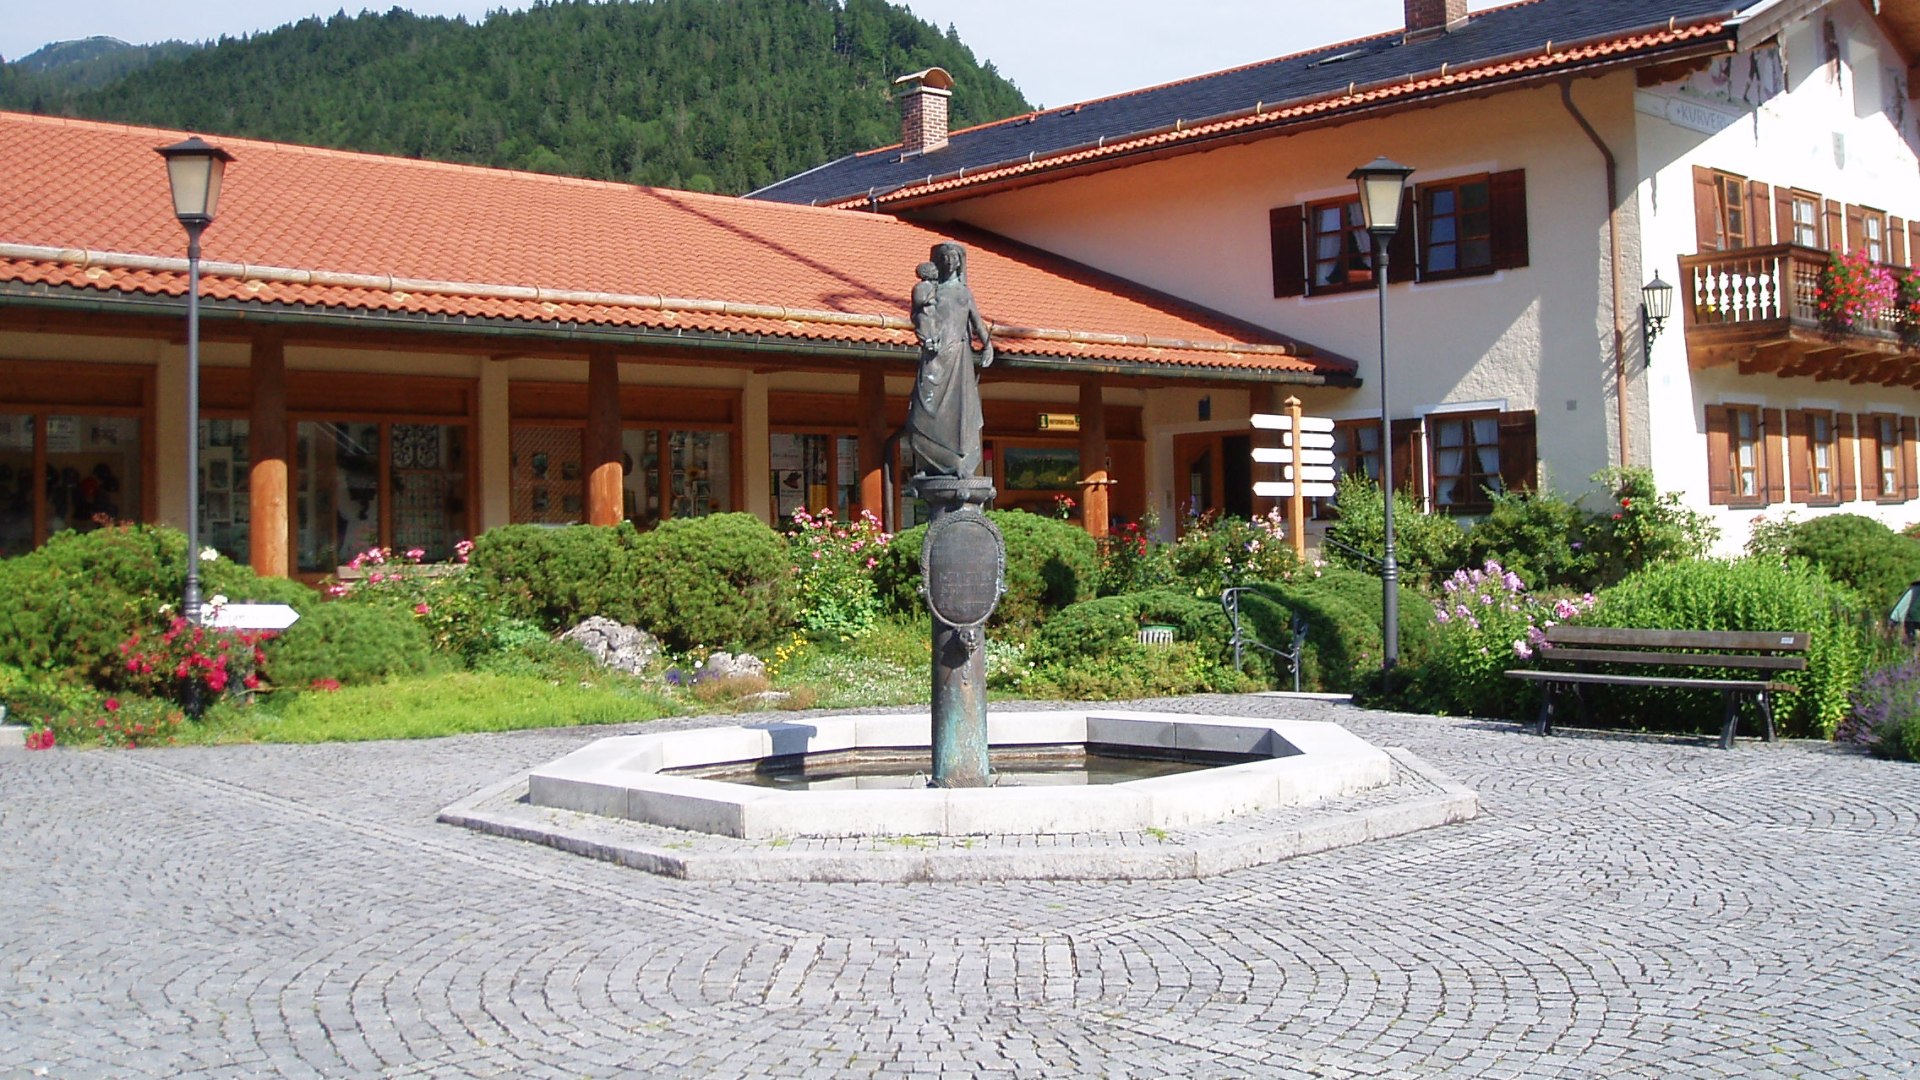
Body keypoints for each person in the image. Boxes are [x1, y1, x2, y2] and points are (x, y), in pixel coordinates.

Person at [904, 242, 994, 479]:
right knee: (922, 408)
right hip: (935, 355)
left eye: (953, 258)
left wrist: (987, 345)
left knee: (961, 407)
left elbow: (976, 320)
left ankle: (959, 460)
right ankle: (931, 461)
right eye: (944, 258)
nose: (949, 262)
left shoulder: (964, 292)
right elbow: (920, 316)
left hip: (959, 355)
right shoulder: (930, 289)